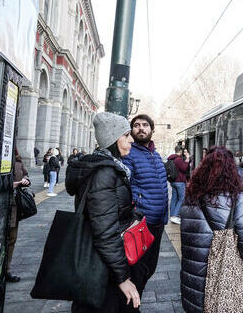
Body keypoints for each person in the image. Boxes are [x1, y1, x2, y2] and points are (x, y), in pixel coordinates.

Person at [180, 146, 243, 312]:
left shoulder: (190, 200)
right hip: (226, 290)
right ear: (231, 170)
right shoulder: (239, 201)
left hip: (193, 287)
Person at [65, 112, 142, 312]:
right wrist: (122, 277)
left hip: (105, 262)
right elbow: (105, 231)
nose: (131, 140)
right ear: (113, 139)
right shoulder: (104, 173)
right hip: (103, 268)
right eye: (126, 135)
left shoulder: (111, 168)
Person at [122, 114, 168, 299]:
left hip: (158, 223)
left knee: (150, 268)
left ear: (152, 129)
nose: (141, 128)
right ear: (132, 131)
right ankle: (130, 305)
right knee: (137, 270)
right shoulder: (129, 153)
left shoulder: (156, 155)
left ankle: (134, 300)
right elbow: (125, 185)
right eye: (136, 125)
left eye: (145, 125)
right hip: (141, 223)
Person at [6, 148, 31, 283]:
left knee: (11, 239)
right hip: (1, 206)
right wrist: (12, 184)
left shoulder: (18, 162)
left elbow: (26, 175)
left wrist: (25, 180)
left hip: (14, 208)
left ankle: (7, 270)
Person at [167, 147, 190, 225]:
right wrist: (187, 160)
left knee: (174, 198)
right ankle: (175, 216)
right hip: (179, 181)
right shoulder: (178, 159)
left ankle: (172, 215)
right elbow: (184, 168)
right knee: (181, 198)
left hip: (173, 181)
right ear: (180, 151)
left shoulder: (171, 159)